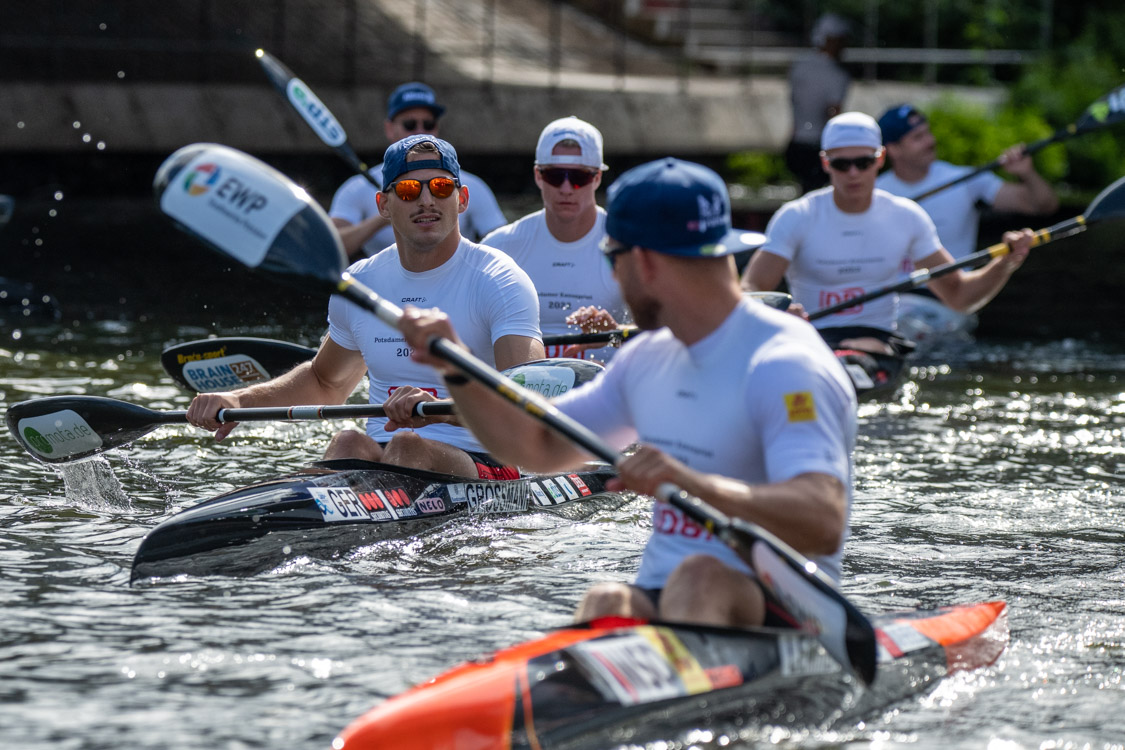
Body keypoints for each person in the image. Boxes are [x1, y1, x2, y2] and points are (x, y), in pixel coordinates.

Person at [395, 157, 858, 629]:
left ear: (644, 261)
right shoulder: (647, 359)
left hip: (784, 612)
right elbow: (537, 447)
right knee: (606, 600)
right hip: (670, 601)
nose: (613, 279)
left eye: (611, 259)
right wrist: (458, 369)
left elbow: (823, 522)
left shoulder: (784, 363)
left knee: (699, 578)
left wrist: (692, 484)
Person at [187, 135, 543, 479]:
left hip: (489, 457)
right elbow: (325, 382)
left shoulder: (499, 280)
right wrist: (240, 401)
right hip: (390, 455)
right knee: (348, 440)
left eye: (440, 187)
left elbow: (534, 404)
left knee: (408, 445)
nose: (426, 201)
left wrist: (443, 413)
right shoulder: (360, 282)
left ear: (461, 199)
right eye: (408, 190)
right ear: (384, 205)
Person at [742, 111, 1036, 356]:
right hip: (812, 341)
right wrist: (776, 314)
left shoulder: (906, 217)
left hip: (876, 344)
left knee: (866, 352)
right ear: (825, 162)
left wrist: (1004, 263)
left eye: (864, 163)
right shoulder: (796, 216)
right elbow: (750, 288)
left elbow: (959, 296)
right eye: (842, 164)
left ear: (881, 158)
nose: (853, 173)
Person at [875, 104, 1059, 343]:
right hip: (892, 304)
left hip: (952, 300)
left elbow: (1042, 206)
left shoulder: (965, 179)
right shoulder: (874, 193)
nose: (930, 141)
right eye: (917, 138)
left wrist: (1026, 173)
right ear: (893, 149)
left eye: (928, 133)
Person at [482, 116, 628, 361]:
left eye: (579, 177)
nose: (566, 188)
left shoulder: (628, 246)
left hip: (606, 380)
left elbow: (667, 339)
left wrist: (616, 334)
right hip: (525, 383)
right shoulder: (500, 247)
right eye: (555, 176)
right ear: (538, 176)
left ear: (597, 178)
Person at [328, 82, 508, 261]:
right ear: (389, 128)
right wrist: (386, 216)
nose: (420, 131)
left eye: (428, 124)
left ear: (462, 199)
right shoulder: (357, 188)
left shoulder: (473, 186)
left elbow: (504, 246)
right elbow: (329, 247)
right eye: (410, 124)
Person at [785, 13, 851, 195]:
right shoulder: (837, 75)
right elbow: (833, 113)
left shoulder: (799, 67)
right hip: (818, 145)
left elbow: (795, 103)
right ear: (832, 40)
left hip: (796, 142)